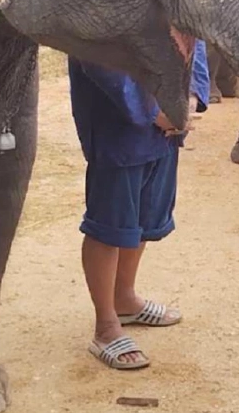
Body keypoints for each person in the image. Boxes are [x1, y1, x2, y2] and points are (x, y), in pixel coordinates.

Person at [69, 42, 209, 370]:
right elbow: (97, 51)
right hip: (117, 128)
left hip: (165, 131)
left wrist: (187, 100)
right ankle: (105, 326)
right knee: (110, 226)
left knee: (145, 220)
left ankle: (125, 299)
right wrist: (152, 111)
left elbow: (195, 37)